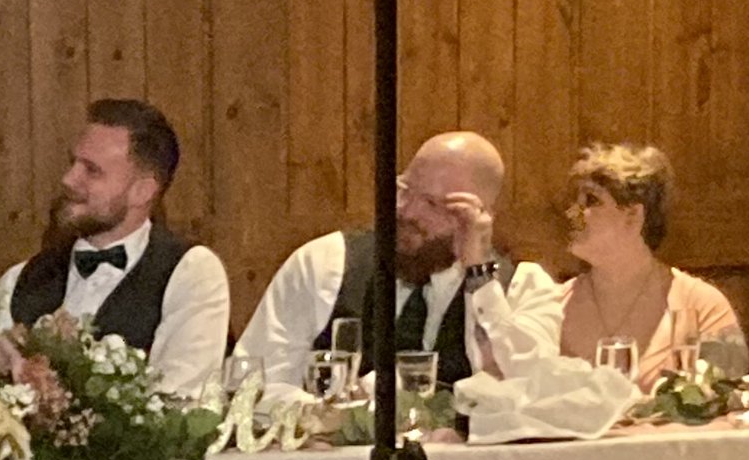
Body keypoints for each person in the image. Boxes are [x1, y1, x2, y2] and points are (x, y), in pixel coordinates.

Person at [232, 129, 561, 396]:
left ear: (482, 216)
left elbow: (531, 390)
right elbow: (253, 385)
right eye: (404, 190)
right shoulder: (325, 263)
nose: (407, 212)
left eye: (433, 204)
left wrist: (480, 277)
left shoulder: (522, 287)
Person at [0, 102, 231, 402]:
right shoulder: (20, 279)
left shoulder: (190, 274)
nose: (68, 179)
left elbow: (180, 404)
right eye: (73, 162)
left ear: (142, 191)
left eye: (92, 170)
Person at [555, 144, 742, 381]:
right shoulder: (550, 306)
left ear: (633, 215)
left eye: (591, 201)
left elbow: (726, 398)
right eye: (575, 201)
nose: (572, 213)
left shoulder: (703, 309)